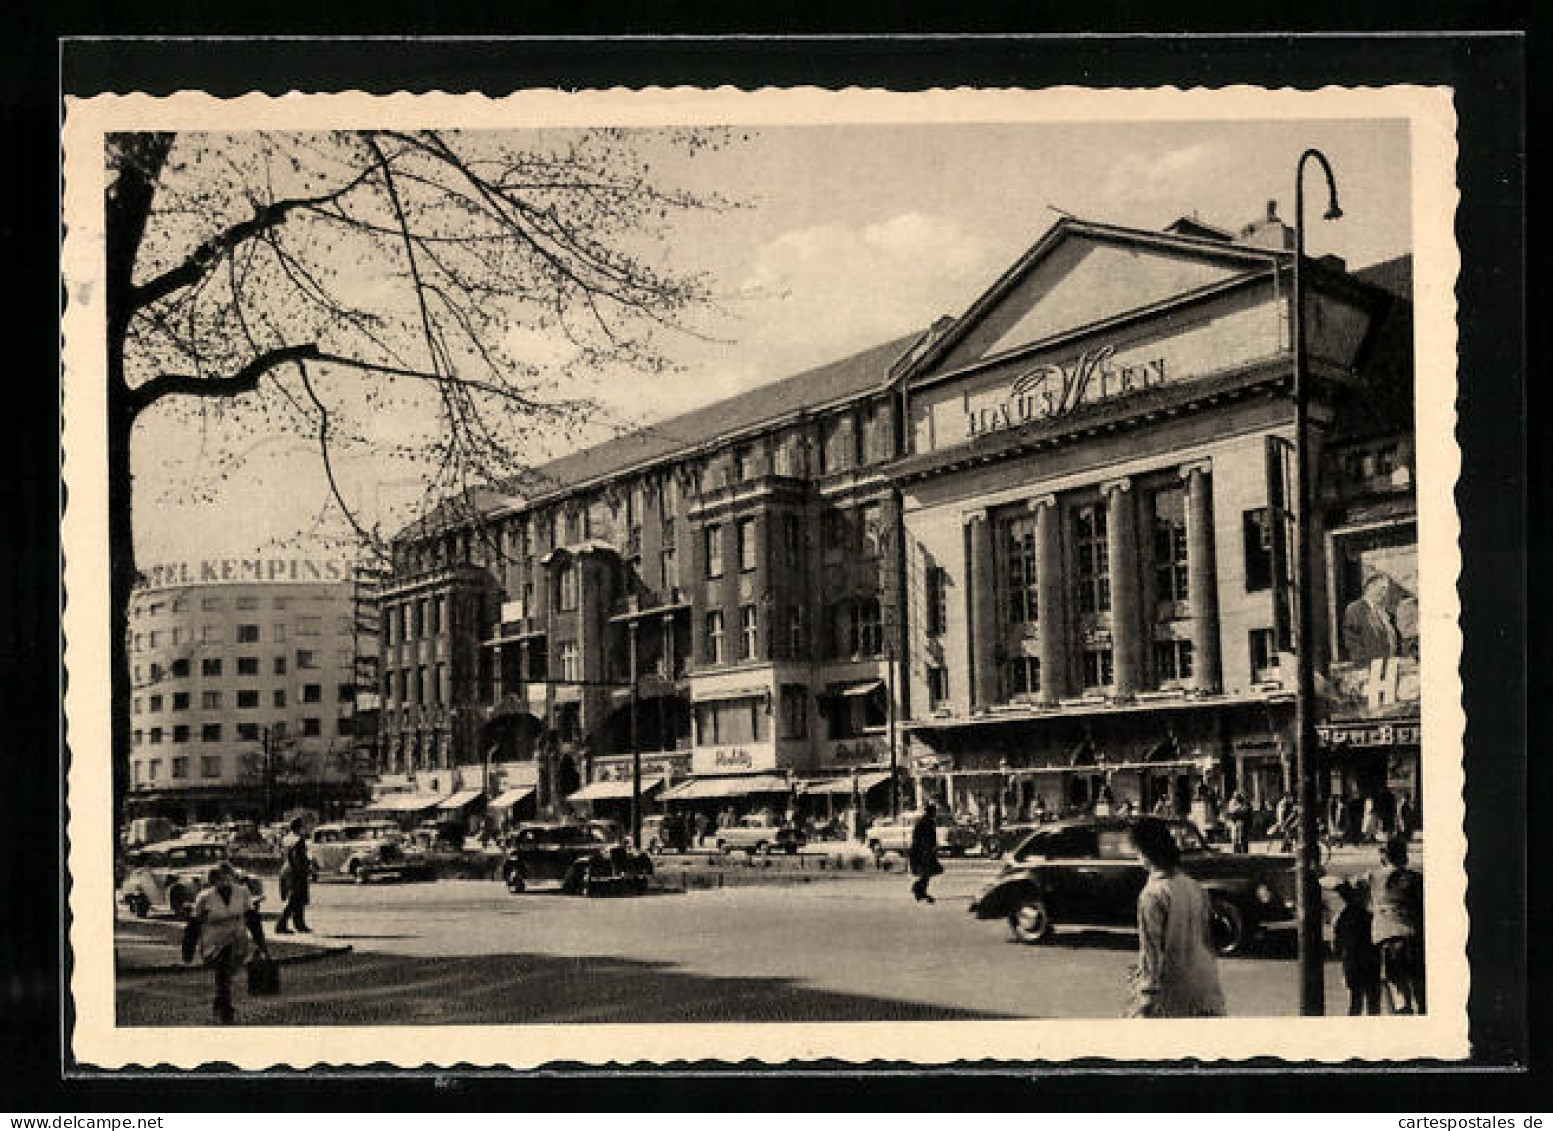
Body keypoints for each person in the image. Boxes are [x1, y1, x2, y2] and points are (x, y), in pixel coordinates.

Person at [1126, 817, 1226, 1018]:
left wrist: (1145, 996)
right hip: (1207, 987)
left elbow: (1151, 952)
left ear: (1146, 853)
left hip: (1174, 994)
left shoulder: (1152, 894)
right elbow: (1208, 940)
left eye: (1137, 851)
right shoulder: (1194, 886)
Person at [188, 864, 268, 1024]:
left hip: (238, 939)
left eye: (226, 878)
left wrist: (260, 942)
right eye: (218, 879)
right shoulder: (204, 897)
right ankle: (226, 1007)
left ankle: (220, 998)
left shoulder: (243, 893)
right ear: (212, 881)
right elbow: (195, 924)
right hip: (214, 941)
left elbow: (252, 918)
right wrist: (188, 948)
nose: (223, 882)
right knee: (222, 971)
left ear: (232, 877)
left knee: (229, 973)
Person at [1370, 838, 1425, 1014]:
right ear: (1405, 858)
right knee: (1419, 983)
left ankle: (1403, 1014)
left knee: (1396, 985)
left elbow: (1341, 885)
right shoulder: (1417, 879)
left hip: (1387, 937)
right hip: (1414, 935)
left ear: (1383, 859)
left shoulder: (1373, 877)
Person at [1332, 880, 1383, 1015]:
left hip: (1351, 962)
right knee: (1373, 1003)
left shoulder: (1341, 917)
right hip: (1371, 962)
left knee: (1355, 1001)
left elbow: (1336, 946)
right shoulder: (1371, 917)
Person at [1342, 572, 1400, 663]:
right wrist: (1365, 662)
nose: (1384, 594)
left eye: (1386, 590)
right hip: (1369, 666)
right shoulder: (1355, 609)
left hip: (1387, 664)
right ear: (1370, 587)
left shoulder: (1383, 611)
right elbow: (1351, 640)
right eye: (1382, 589)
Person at [275, 817, 311, 935]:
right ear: (299, 827)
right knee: (295, 899)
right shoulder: (298, 840)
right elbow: (298, 858)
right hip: (296, 872)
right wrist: (306, 867)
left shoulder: (286, 839)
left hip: (286, 870)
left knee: (296, 899)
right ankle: (281, 924)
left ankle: (299, 924)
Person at [908, 802, 943, 904]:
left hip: (923, 850)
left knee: (928, 872)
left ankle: (919, 890)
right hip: (922, 851)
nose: (935, 814)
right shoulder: (926, 822)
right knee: (927, 871)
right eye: (934, 812)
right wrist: (927, 849)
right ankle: (919, 889)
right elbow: (923, 837)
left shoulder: (925, 821)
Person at [1224, 790, 1251, 854]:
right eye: (1235, 797)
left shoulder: (1245, 803)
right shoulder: (1232, 803)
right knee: (1235, 839)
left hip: (1242, 823)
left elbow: (1245, 811)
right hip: (1234, 823)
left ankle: (1244, 852)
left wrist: (1238, 810)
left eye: (1238, 797)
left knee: (1242, 839)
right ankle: (1236, 852)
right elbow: (1231, 812)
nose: (1236, 799)